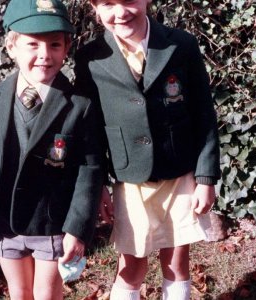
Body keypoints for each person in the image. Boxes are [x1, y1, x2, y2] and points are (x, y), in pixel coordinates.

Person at [74, 0, 221, 299]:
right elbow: (89, 131)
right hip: (130, 179)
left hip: (180, 174)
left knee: (177, 262)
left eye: (129, 0)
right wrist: (99, 184)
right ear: (94, 7)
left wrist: (206, 178)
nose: (120, 12)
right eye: (107, 4)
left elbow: (204, 113)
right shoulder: (90, 57)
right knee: (131, 265)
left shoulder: (181, 44)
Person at [0, 0, 104, 299]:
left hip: (52, 222)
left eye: (54, 44)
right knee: (19, 291)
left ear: (67, 47)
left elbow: (90, 170)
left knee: (46, 293)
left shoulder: (79, 104)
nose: (44, 55)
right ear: (12, 47)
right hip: (5, 220)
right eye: (32, 45)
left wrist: (78, 228)